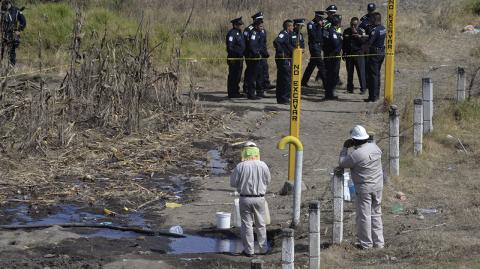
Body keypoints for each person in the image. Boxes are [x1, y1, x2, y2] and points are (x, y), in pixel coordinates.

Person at [338, 125, 384, 250]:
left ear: (354, 140)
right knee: (376, 214)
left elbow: (342, 163)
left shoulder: (356, 155)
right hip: (378, 186)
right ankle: (379, 243)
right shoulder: (375, 147)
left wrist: (345, 148)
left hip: (364, 189)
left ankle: (366, 244)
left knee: (364, 216)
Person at [230, 142, 271, 257]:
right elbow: (268, 180)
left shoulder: (240, 166)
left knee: (247, 225)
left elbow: (233, 183)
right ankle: (263, 249)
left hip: (245, 198)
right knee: (261, 224)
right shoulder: (263, 165)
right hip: (260, 198)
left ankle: (249, 251)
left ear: (244, 152)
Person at [301, 11, 326, 88]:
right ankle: (326, 83)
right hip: (314, 46)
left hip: (319, 46)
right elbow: (314, 37)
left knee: (312, 65)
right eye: (320, 18)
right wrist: (319, 26)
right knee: (321, 64)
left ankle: (303, 82)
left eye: (322, 18)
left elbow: (322, 36)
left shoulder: (320, 25)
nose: (321, 19)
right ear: (316, 17)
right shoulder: (311, 24)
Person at [364, 12, 386, 102]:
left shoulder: (374, 30)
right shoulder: (383, 28)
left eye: (371, 18)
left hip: (374, 54)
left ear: (374, 19)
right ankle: (376, 95)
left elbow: (369, 43)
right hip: (381, 53)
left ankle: (372, 97)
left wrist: (363, 49)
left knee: (372, 75)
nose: (370, 20)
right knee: (377, 74)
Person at [343, 17, 367, 94]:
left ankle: (363, 89)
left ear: (358, 24)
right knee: (349, 72)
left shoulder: (361, 31)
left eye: (355, 25)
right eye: (352, 24)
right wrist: (344, 53)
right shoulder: (346, 31)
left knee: (361, 72)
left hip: (358, 54)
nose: (353, 26)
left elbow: (364, 42)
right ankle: (350, 88)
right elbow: (344, 44)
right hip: (349, 54)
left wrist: (357, 35)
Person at [244, 18, 266, 100]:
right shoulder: (254, 33)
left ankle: (260, 92)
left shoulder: (260, 33)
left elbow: (261, 45)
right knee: (252, 76)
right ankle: (251, 94)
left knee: (259, 74)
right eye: (260, 26)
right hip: (253, 58)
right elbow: (252, 46)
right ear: (256, 26)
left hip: (259, 57)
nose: (262, 27)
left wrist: (264, 53)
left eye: (262, 26)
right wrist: (256, 54)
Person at [273, 19, 294, 104]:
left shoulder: (288, 34)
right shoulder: (283, 34)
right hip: (283, 59)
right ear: (288, 27)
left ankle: (282, 98)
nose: (293, 27)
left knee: (283, 79)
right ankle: (284, 98)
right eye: (292, 26)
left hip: (287, 58)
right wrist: (281, 52)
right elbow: (276, 41)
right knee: (285, 79)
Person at [322, 14, 342, 100]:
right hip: (333, 57)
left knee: (329, 75)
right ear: (337, 24)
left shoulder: (326, 31)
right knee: (332, 75)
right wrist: (341, 40)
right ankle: (329, 94)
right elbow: (336, 45)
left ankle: (328, 94)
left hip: (327, 55)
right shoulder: (333, 32)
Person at [1, 0, 26, 67]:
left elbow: (23, 21)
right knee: (1, 52)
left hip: (12, 34)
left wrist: (18, 30)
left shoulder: (16, 10)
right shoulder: (1, 10)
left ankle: (11, 68)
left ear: (8, 3)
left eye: (4, 4)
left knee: (11, 52)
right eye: (2, 4)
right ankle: (2, 67)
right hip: (2, 34)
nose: (3, 6)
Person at [226, 17, 246, 98]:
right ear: (235, 25)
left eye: (241, 25)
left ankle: (236, 91)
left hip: (240, 58)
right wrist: (237, 54)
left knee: (238, 76)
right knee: (233, 76)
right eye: (239, 25)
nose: (241, 26)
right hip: (234, 58)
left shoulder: (240, 33)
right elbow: (230, 48)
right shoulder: (232, 33)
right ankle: (232, 93)